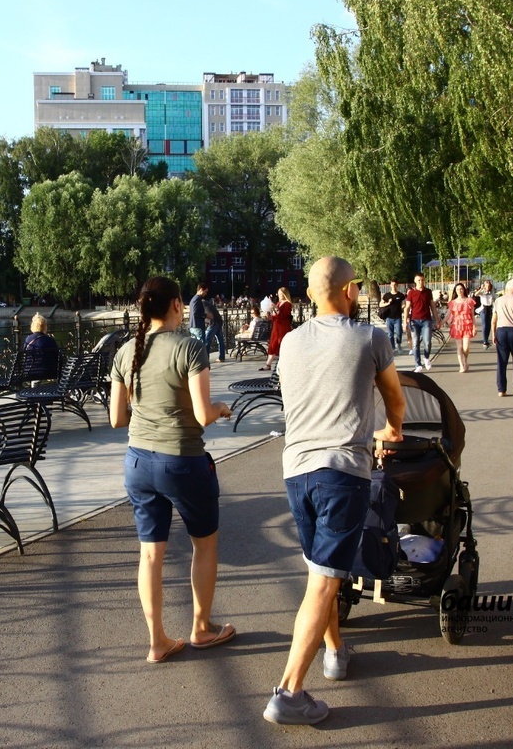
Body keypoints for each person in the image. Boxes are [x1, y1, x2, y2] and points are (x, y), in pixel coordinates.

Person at [263, 257, 405, 725]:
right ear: (350, 291)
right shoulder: (370, 337)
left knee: (319, 573)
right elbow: (395, 397)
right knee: (324, 581)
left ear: (309, 295)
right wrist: (392, 429)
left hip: (296, 472)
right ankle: (288, 692)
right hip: (342, 471)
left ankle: (336, 651)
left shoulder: (290, 341)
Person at [109, 276, 236, 663]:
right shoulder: (190, 347)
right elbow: (202, 415)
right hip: (181, 460)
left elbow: (117, 418)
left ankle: (157, 641)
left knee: (150, 555)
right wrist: (220, 408)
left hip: (137, 462)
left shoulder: (126, 351)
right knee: (204, 544)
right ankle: (201, 628)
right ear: (178, 305)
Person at [402, 272, 440, 372]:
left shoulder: (428, 292)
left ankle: (426, 358)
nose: (420, 282)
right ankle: (418, 364)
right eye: (418, 280)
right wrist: (405, 322)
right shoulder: (411, 293)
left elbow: (433, 306)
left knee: (427, 342)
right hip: (414, 321)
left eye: (422, 280)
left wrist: (437, 320)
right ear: (415, 281)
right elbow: (407, 308)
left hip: (426, 320)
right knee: (415, 343)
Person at [446, 283, 477, 373]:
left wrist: (474, 327)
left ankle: (465, 361)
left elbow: (472, 315)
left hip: (467, 325)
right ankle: (461, 365)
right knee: (459, 346)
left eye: (461, 289)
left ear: (464, 290)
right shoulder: (452, 303)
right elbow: (448, 315)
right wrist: (440, 323)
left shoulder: (469, 301)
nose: (459, 291)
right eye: (457, 289)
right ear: (455, 291)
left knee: (465, 347)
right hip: (456, 325)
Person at [261, 287, 293, 371]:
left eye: (281, 294)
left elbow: (283, 316)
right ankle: (268, 365)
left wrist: (275, 308)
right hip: (276, 327)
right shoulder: (279, 303)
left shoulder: (287, 304)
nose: (279, 295)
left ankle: (284, 363)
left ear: (285, 294)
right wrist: (268, 315)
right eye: (279, 294)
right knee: (273, 345)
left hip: (283, 327)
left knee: (282, 344)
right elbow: (275, 317)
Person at [23, 313, 60, 381]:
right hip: (49, 372)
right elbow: (57, 356)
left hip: (30, 372)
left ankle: (34, 386)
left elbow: (25, 355)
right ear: (45, 326)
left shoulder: (28, 339)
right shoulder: (50, 340)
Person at [379, 279, 405, 351]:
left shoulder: (400, 295)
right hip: (389, 317)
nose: (393, 286)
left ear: (397, 285)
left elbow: (404, 304)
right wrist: (388, 303)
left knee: (399, 332)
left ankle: (398, 343)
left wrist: (403, 307)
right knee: (390, 334)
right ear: (390, 285)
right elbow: (380, 304)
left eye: (395, 285)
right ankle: (392, 347)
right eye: (392, 285)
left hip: (398, 317)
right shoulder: (387, 295)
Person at [203, 291, 226, 363]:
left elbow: (209, 314)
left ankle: (206, 358)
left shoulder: (202, 304)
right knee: (220, 340)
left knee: (207, 340)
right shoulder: (207, 303)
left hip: (213, 323)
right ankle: (222, 357)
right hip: (219, 321)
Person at [475, 280, 496, 349]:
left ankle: (486, 340)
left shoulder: (492, 292)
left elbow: (495, 299)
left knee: (489, 325)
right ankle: (484, 341)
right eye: (486, 285)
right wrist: (481, 289)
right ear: (484, 286)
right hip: (483, 309)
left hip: (489, 308)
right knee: (485, 324)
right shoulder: (482, 292)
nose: (487, 287)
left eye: (488, 286)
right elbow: (476, 294)